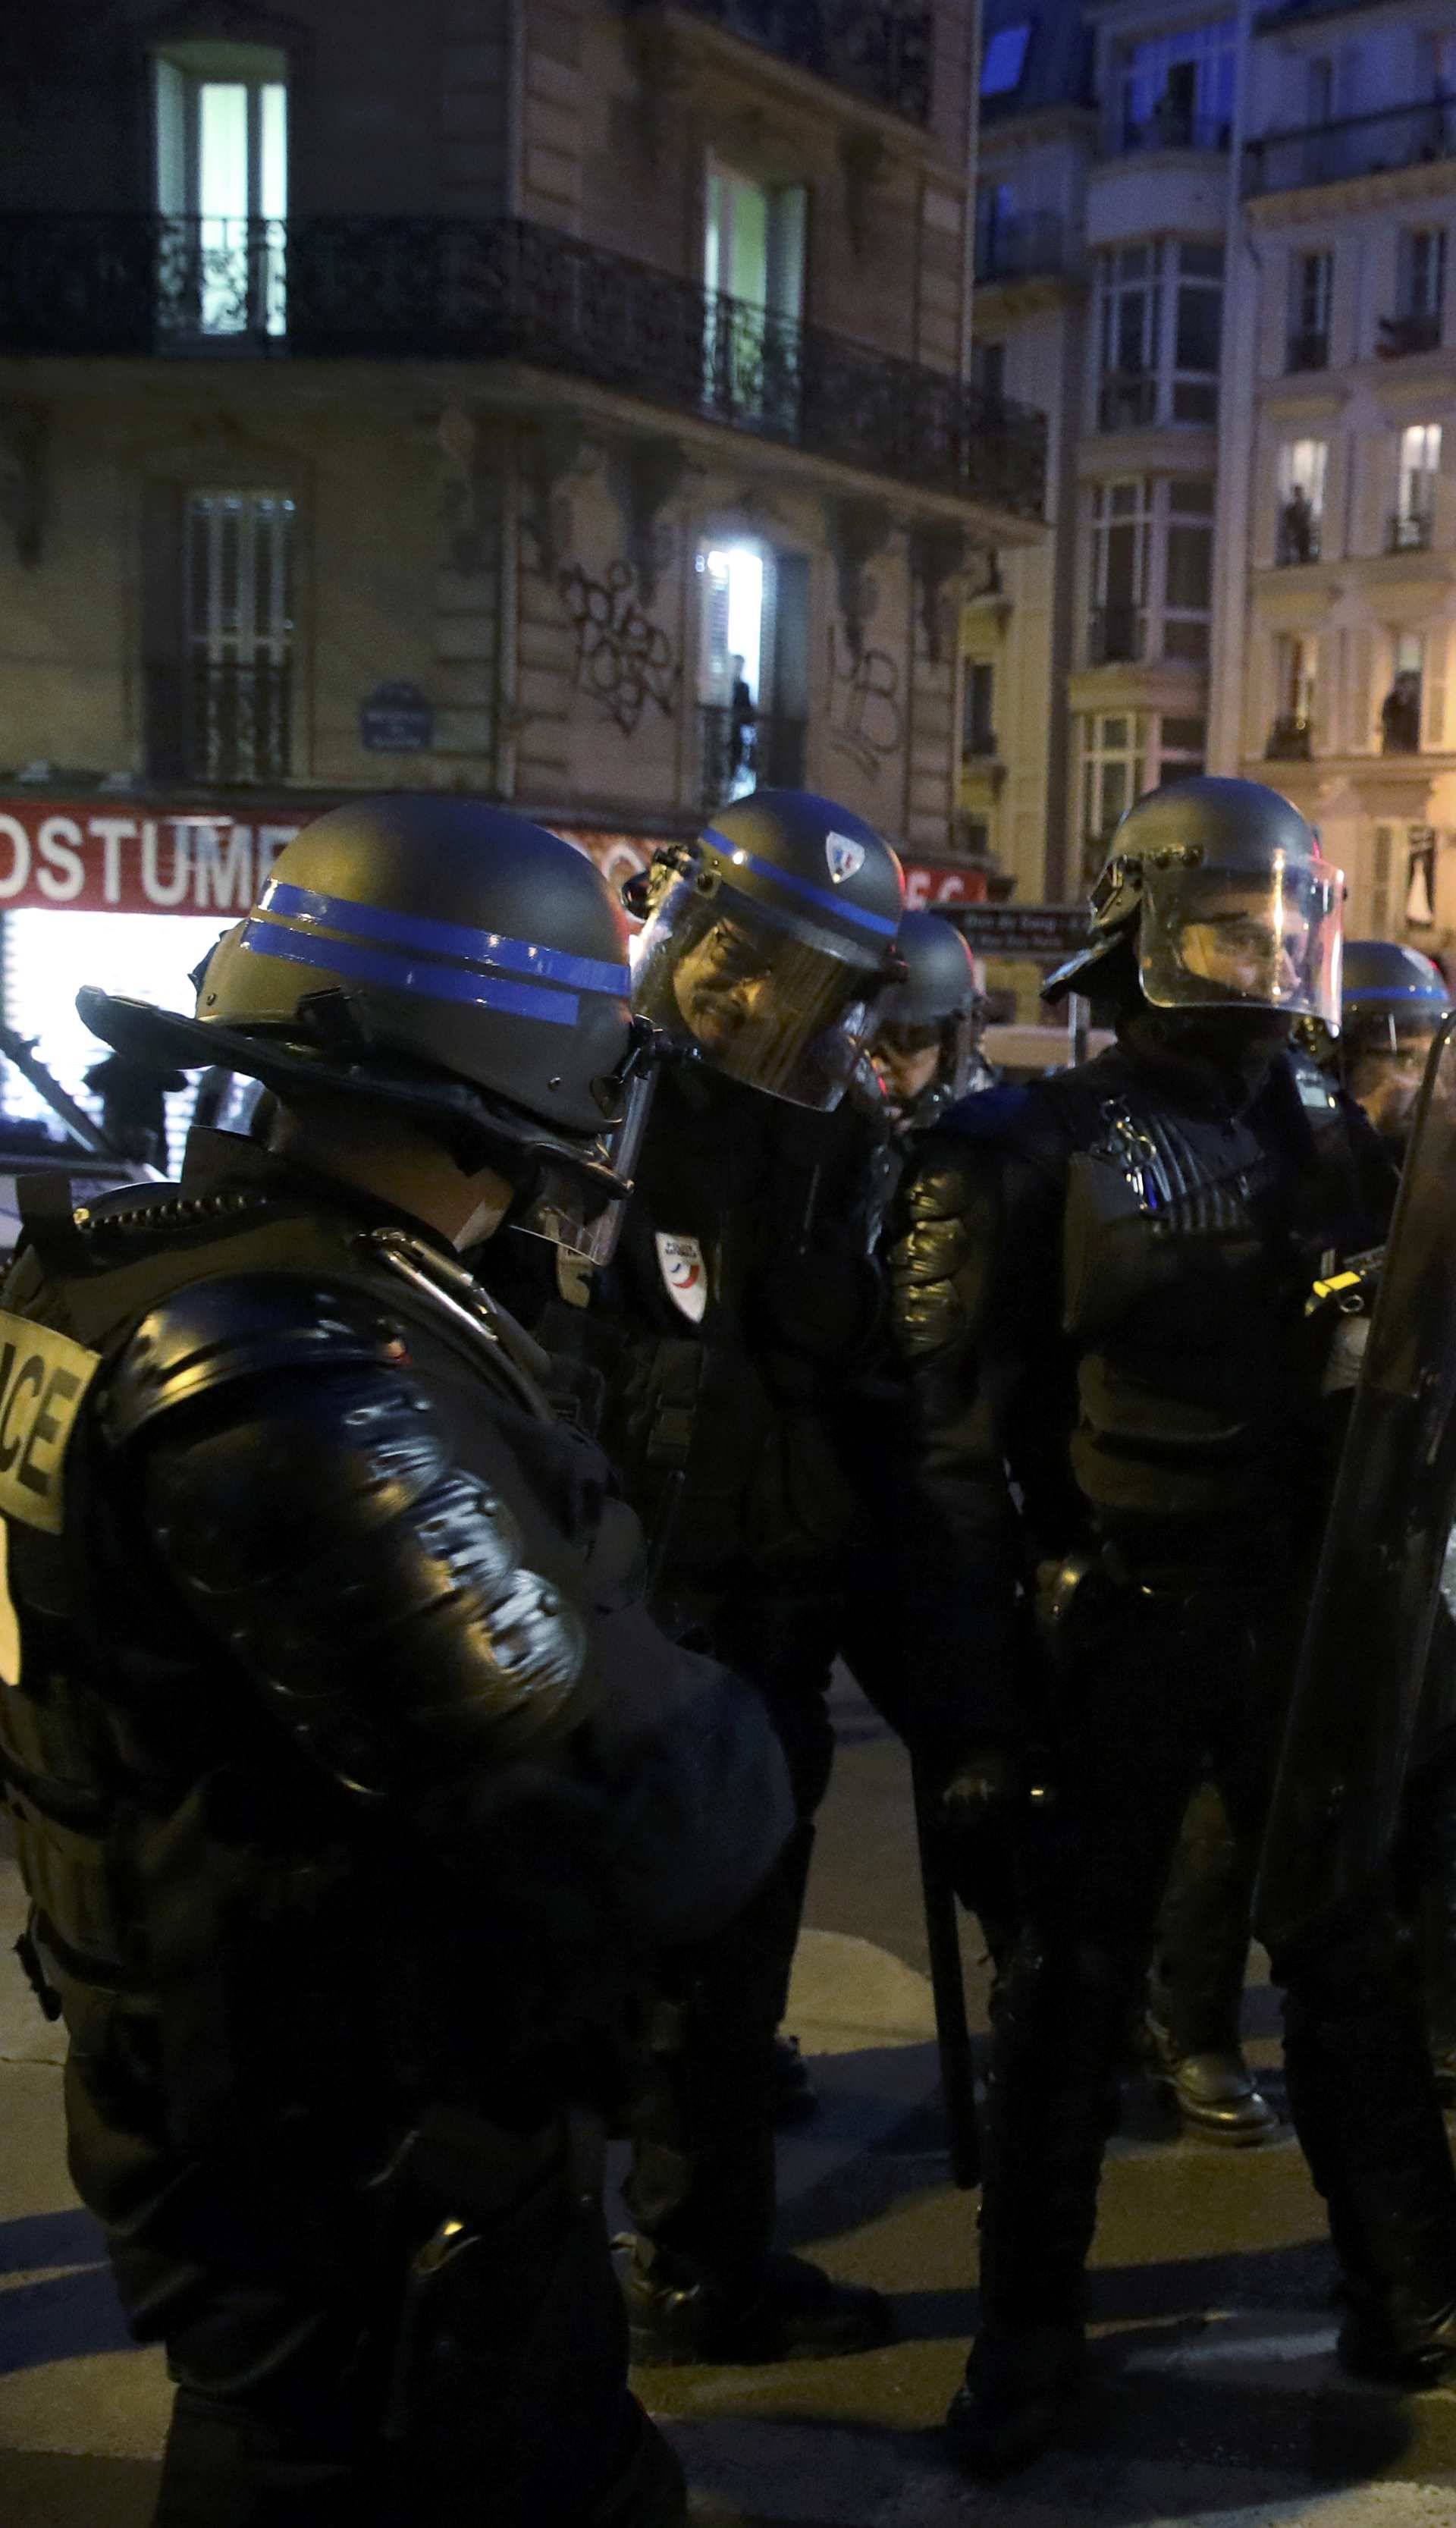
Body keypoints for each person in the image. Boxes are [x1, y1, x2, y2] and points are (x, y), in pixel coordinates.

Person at [0, 795, 794, 2528]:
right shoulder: (297, 1378)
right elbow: (631, 1806)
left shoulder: (129, 1280)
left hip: (232, 2067)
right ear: (517, 1095)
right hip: (350, 2136)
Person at [888, 776, 1456, 2475]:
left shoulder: (1331, 1133)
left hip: (1296, 1610)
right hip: (1113, 1608)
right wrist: (972, 1704)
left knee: (1347, 1954)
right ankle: (1029, 2332)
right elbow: (952, 1444)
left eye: (1282, 920)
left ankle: (1407, 2282)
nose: (1262, 952)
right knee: (1074, 1986)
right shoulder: (1019, 1147)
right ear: (1140, 924)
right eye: (1225, 919)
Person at [535, 790, 906, 2365]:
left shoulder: (839, 1148)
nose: (754, 1004)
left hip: (759, 1622)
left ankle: (700, 2264)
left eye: (801, 984)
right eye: (735, 962)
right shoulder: (575, 1108)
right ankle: (555, 2286)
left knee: (728, 1978)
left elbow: (853, 1390)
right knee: (570, 1977)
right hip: (606, 1617)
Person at [870, 909, 995, 1131]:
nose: (875, 1064)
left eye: (905, 1039)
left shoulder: (986, 1145)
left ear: (949, 1051)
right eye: (861, 1039)